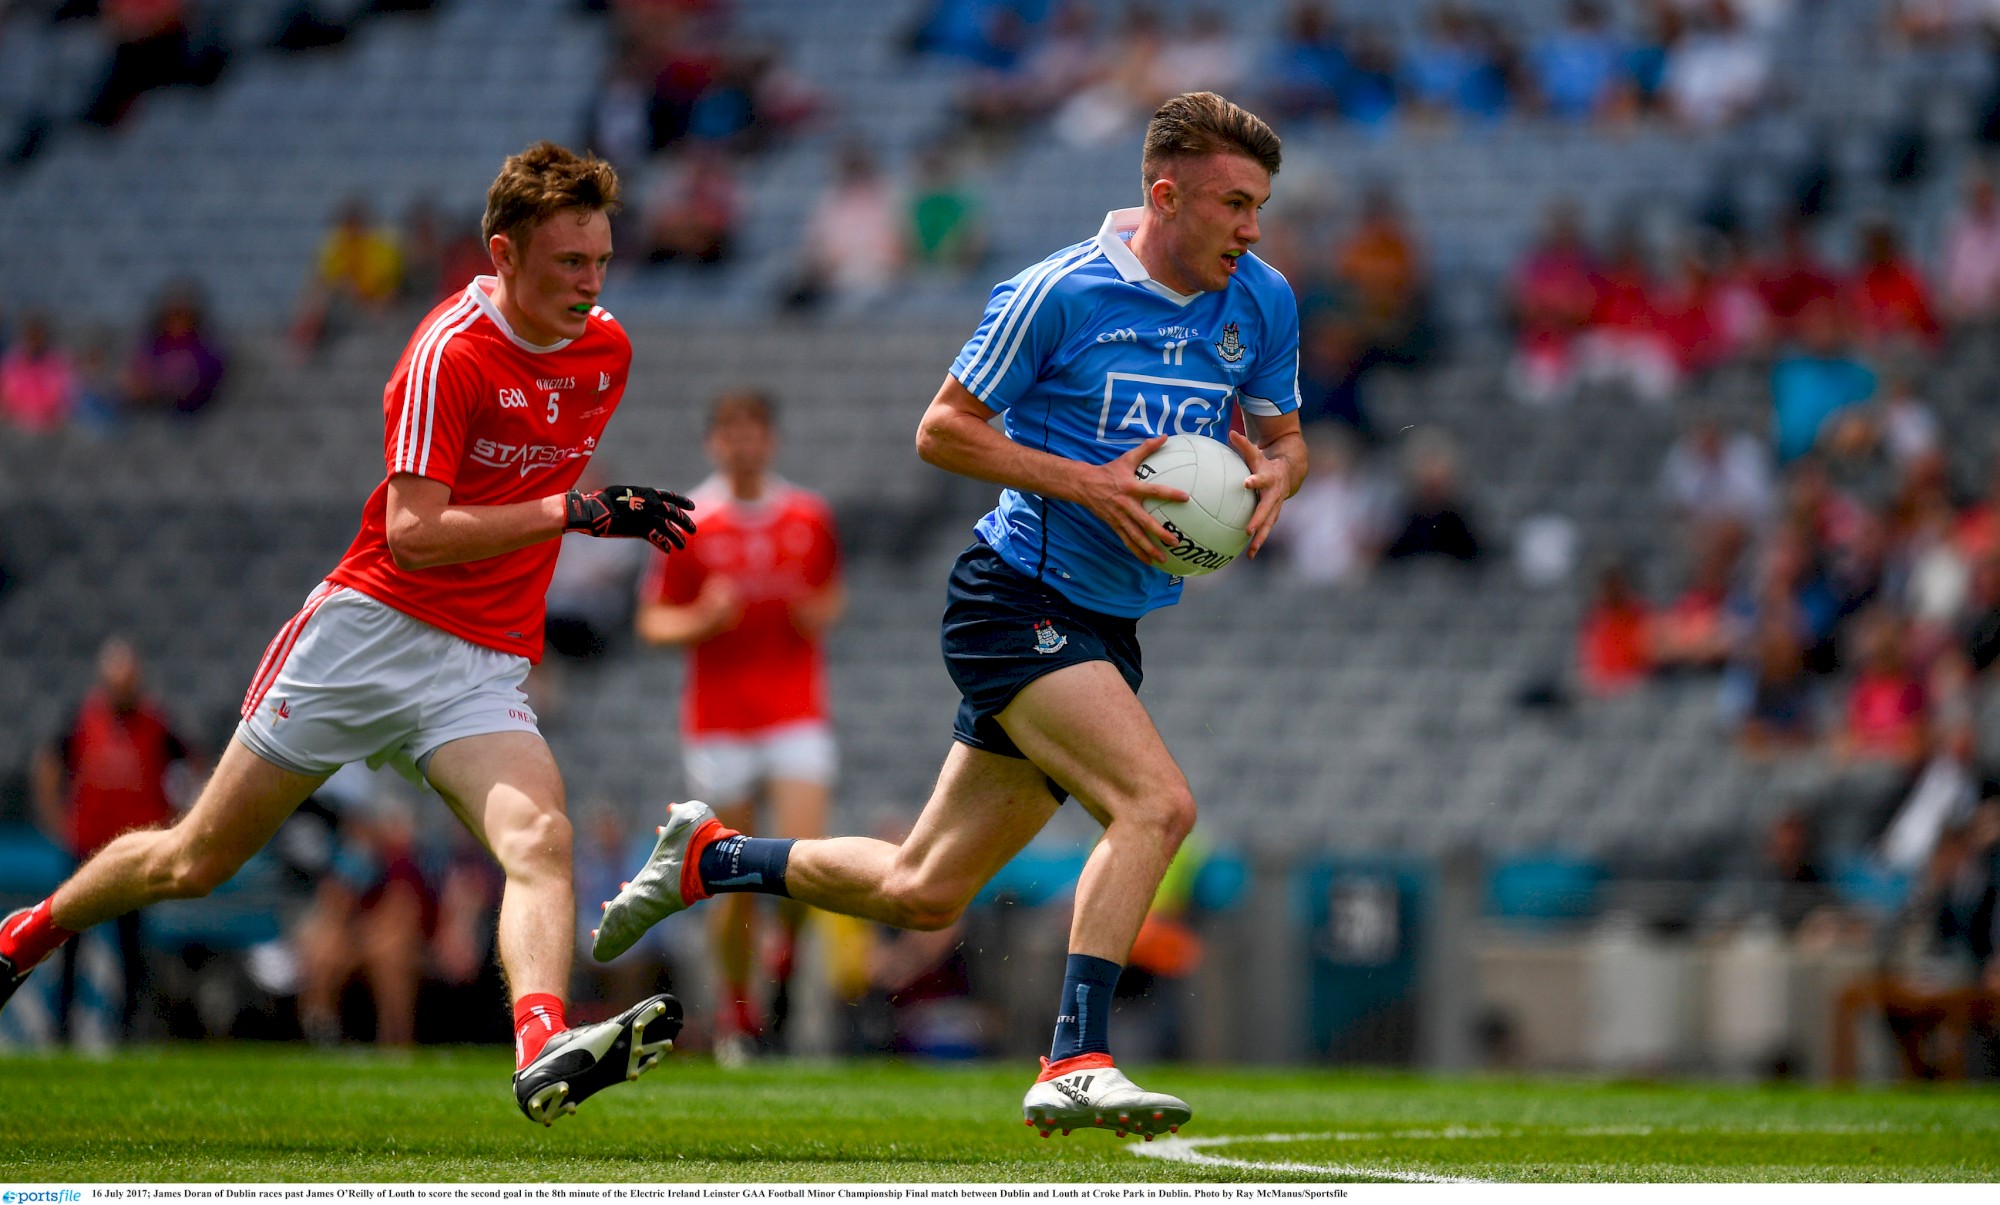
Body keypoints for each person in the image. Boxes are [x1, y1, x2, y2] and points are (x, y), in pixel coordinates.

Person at [594, 92, 1305, 1138]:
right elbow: (941, 430)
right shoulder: (1054, 294)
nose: (1251, 228)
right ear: (1164, 195)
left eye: (1259, 206)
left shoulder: (1261, 299)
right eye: (1234, 204)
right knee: (1155, 805)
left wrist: (1278, 475)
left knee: (924, 890)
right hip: (1013, 596)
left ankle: (710, 857)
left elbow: (1285, 439)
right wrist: (1088, 483)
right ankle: (1074, 1054)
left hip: (1109, 620)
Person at [0, 142, 696, 1126]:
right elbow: (414, 535)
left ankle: (540, 1046)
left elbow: (518, 492)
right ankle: (21, 936)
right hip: (367, 636)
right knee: (190, 859)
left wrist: (560, 516)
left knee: (540, 835)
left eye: (600, 262)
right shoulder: (446, 351)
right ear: (502, 253)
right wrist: (572, 511)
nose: (589, 285)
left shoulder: (607, 352)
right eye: (566, 264)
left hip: (479, 666)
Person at [635, 389, 845, 1061]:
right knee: (730, 879)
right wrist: (702, 618)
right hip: (720, 719)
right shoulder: (691, 520)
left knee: (805, 860)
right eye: (731, 431)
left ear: (771, 440)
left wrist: (817, 612)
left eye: (754, 429)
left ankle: (781, 959)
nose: (743, 442)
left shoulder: (808, 516)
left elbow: (830, 593)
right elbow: (653, 619)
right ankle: (739, 1012)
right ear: (714, 442)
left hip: (793, 709)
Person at [31, 637, 201, 1042]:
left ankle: (128, 1032)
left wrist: (176, 823)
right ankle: (63, 1033)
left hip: (134, 855)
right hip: (86, 849)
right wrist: (56, 819)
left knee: (131, 949)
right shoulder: (84, 719)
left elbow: (193, 767)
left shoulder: (156, 723)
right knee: (69, 941)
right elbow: (49, 766)